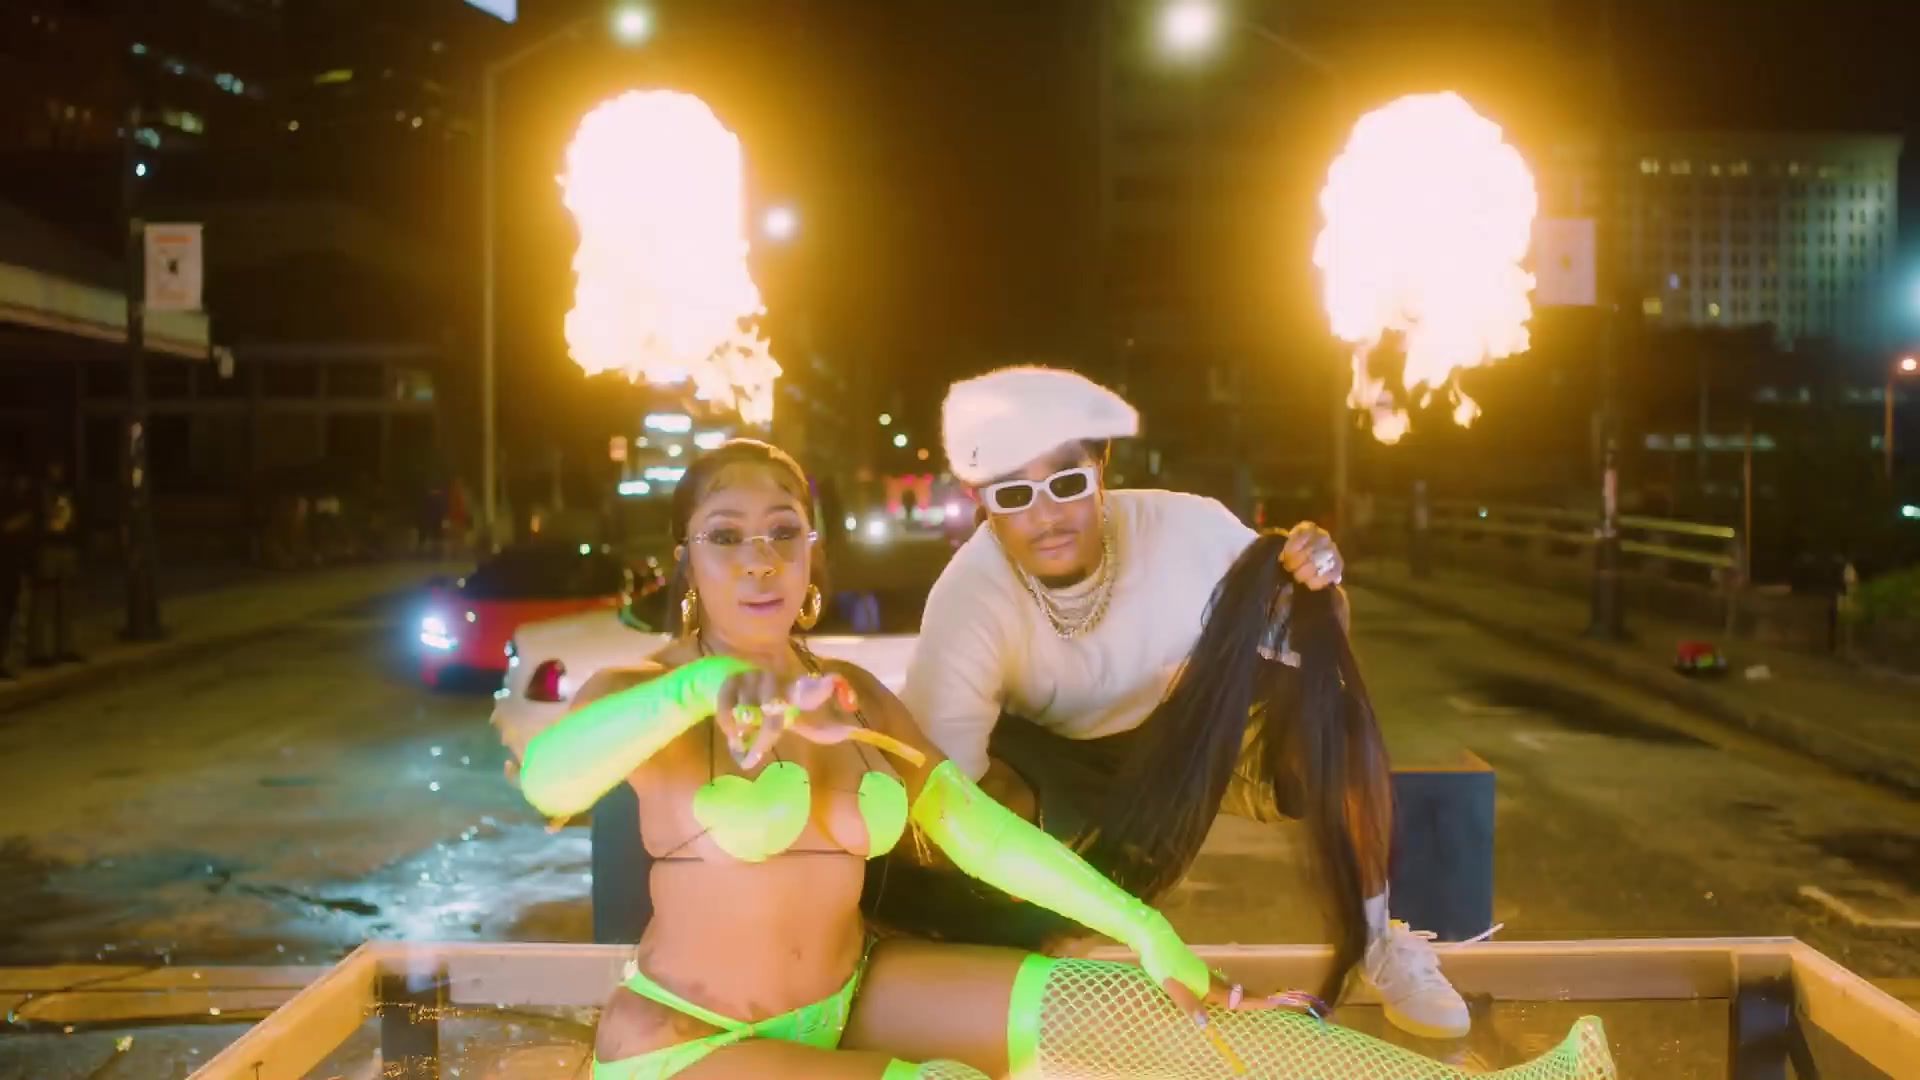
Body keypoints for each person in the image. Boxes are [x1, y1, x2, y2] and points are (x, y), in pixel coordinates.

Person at [505, 438, 1615, 1080]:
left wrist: (1143, 931)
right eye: (727, 535)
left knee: (1149, 1018)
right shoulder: (645, 691)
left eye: (783, 530)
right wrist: (700, 689)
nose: (759, 559)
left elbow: (979, 832)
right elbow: (547, 778)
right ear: (686, 560)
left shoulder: (857, 698)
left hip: (853, 992)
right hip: (686, 1042)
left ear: (813, 555)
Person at [881, 365, 1472, 1040]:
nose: (1046, 517)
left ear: (1102, 468)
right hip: (1066, 778)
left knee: (1338, 720)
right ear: (979, 499)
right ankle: (1015, 952)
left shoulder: (1188, 529)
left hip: (1193, 737)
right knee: (970, 804)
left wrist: (1319, 578)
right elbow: (943, 802)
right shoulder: (967, 600)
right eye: (1013, 494)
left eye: (1066, 483)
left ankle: (1378, 942)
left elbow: (1315, 634)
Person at [27, 460, 81, 666]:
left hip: (66, 546)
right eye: (53, 466)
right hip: (48, 548)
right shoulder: (40, 492)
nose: (57, 470)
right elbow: (37, 520)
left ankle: (65, 647)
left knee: (65, 599)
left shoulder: (68, 490)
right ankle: (38, 651)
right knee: (43, 600)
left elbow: (76, 516)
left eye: (59, 466)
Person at [0, 465, 33, 679]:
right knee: (4, 615)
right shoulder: (7, 501)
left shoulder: (17, 500)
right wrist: (19, 521)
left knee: (10, 615)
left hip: (13, 568)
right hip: (4, 568)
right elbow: (6, 528)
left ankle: (5, 659)